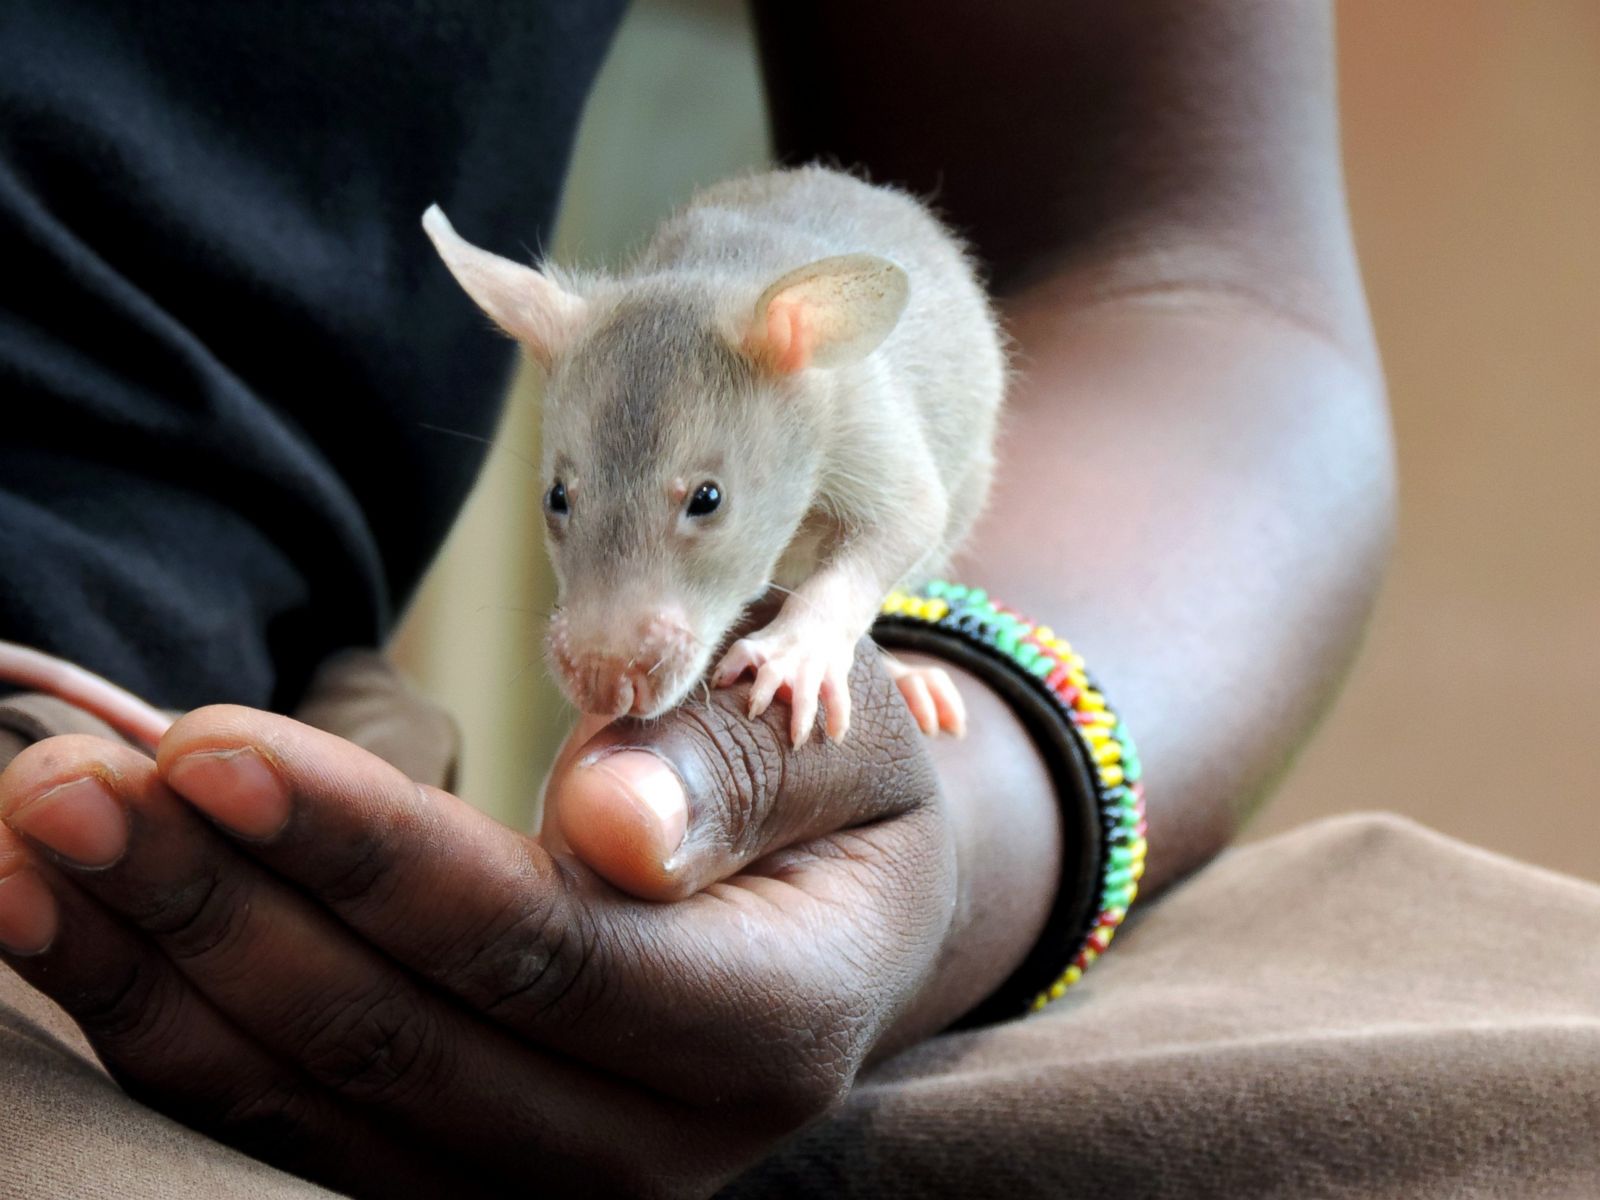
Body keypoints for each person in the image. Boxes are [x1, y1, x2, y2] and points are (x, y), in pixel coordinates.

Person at [2, 3, 1595, 1197]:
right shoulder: (623, 351)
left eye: (703, 510)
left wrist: (966, 800)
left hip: (211, 759)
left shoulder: (825, 386)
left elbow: (1183, 282)